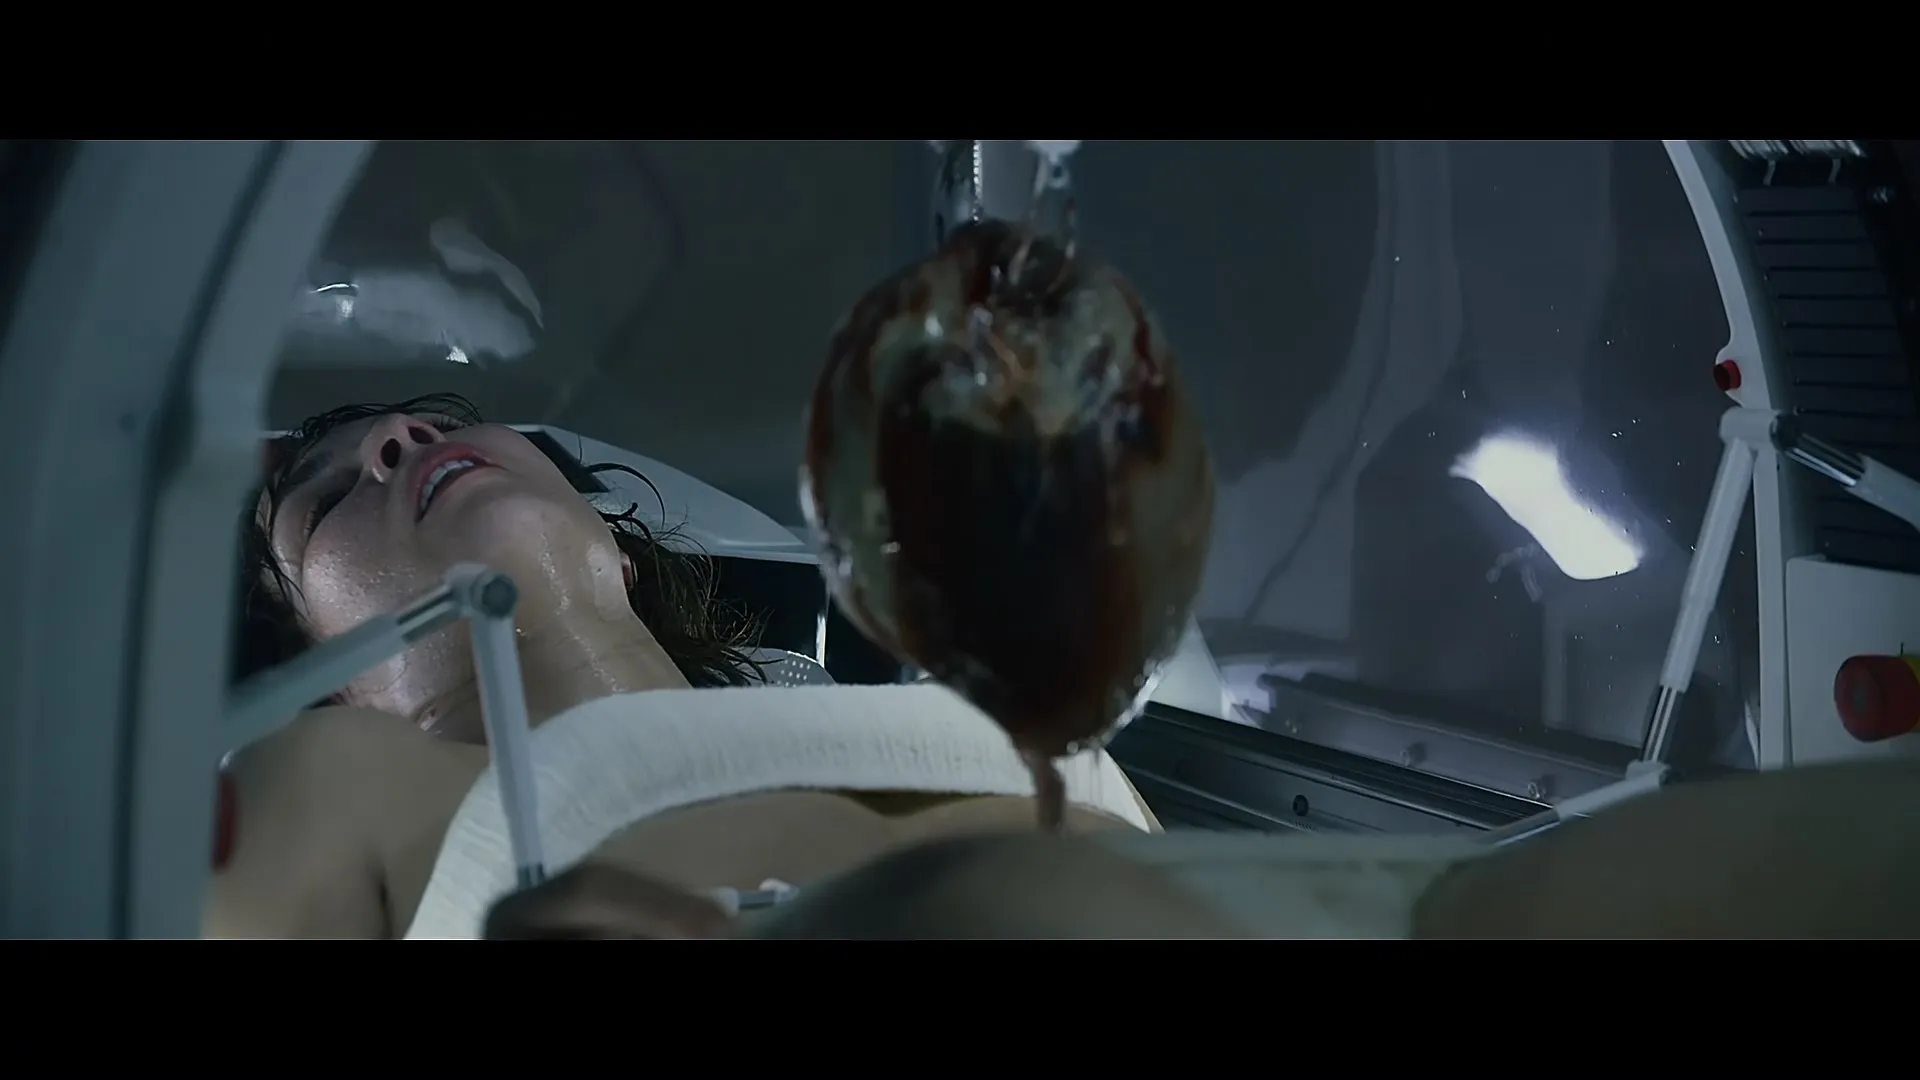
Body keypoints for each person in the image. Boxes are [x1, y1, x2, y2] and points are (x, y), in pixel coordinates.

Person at [210, 393, 1155, 939]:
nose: (401, 436)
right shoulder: (334, 783)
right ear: (331, 680)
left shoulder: (998, 723)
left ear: (619, 554)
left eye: (438, 424)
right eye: (327, 501)